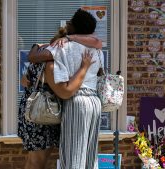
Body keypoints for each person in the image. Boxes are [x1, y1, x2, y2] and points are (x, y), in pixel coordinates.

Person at [29, 8, 103, 169]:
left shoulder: (63, 46)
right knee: (90, 157)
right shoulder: (97, 49)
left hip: (77, 101)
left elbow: (34, 57)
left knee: (73, 155)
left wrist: (38, 45)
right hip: (95, 102)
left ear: (74, 27)